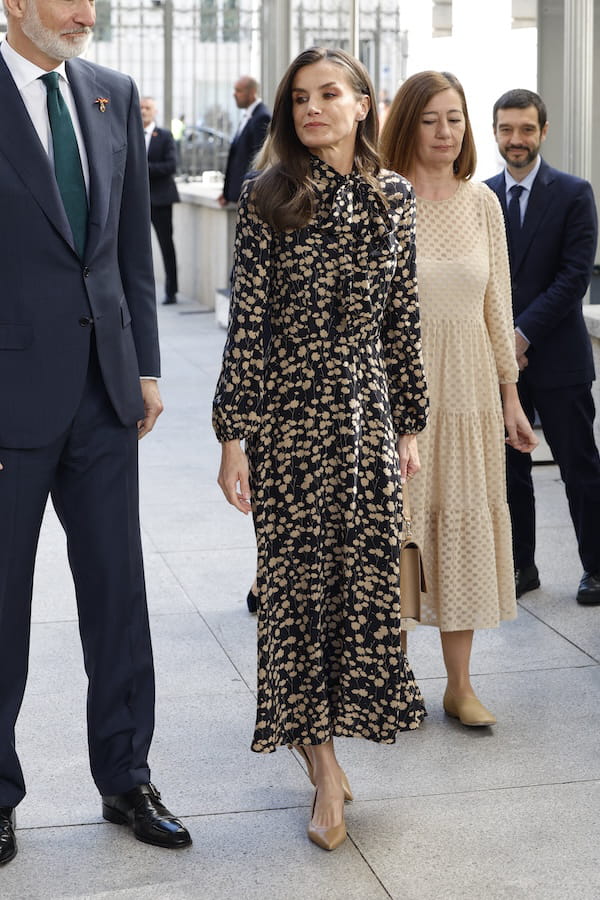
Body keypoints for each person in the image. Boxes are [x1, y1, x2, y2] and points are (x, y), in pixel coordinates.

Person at [213, 47, 428, 851]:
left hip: (367, 418)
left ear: (363, 104)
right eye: (299, 98)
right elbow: (248, 325)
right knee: (296, 597)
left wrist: (410, 425)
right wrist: (233, 436)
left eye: (328, 94)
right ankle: (325, 772)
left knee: (362, 591)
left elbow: (402, 319)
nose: (311, 108)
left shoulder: (394, 197)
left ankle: (327, 745)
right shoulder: (266, 196)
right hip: (289, 422)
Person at [0, 0, 191, 866]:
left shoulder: (110, 91)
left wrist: (144, 367)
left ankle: (127, 777)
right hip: (8, 397)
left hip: (105, 396)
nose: (86, 11)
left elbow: (125, 250)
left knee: (119, 597)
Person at [380, 71, 537, 727]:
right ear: (406, 124)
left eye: (455, 118)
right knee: (400, 529)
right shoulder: (381, 198)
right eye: (430, 119)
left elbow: (497, 305)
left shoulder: (483, 204)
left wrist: (511, 398)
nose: (446, 132)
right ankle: (392, 681)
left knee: (464, 523)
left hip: (470, 387)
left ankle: (460, 686)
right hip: (399, 391)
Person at [486, 89, 600, 606]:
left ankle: (596, 567)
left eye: (527, 129)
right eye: (507, 129)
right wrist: (501, 343)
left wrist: (520, 334)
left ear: (543, 132)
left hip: (558, 358)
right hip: (500, 363)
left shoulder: (574, 193)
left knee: (579, 466)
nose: (517, 139)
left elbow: (574, 278)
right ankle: (521, 566)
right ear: (495, 132)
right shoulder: (481, 196)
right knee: (511, 472)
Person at [141, 96, 180, 305]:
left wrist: (143, 169)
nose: (143, 111)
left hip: (161, 199)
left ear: (155, 111)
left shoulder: (165, 136)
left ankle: (171, 291)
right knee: (135, 247)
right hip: (138, 200)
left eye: (147, 108)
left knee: (166, 246)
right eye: (140, 107)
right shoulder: (131, 133)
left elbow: (171, 165)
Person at [217, 75, 271, 207]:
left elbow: (260, 160)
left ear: (252, 92)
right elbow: (237, 157)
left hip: (250, 197)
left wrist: (250, 194)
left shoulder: (261, 117)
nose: (234, 94)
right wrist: (227, 192)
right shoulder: (248, 116)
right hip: (240, 195)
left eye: (239, 90)